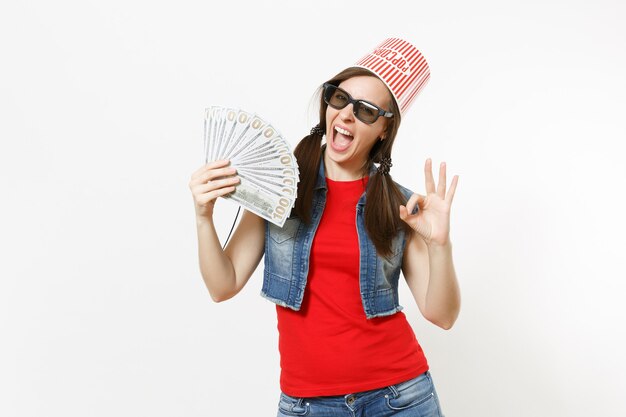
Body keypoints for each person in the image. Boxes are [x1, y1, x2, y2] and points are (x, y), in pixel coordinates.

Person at [189, 38, 460, 417]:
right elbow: (223, 285)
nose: (347, 114)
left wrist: (439, 244)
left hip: (399, 398)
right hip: (308, 405)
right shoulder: (280, 188)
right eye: (340, 99)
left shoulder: (401, 206)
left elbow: (442, 315)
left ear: (384, 129)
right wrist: (203, 217)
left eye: (366, 111)